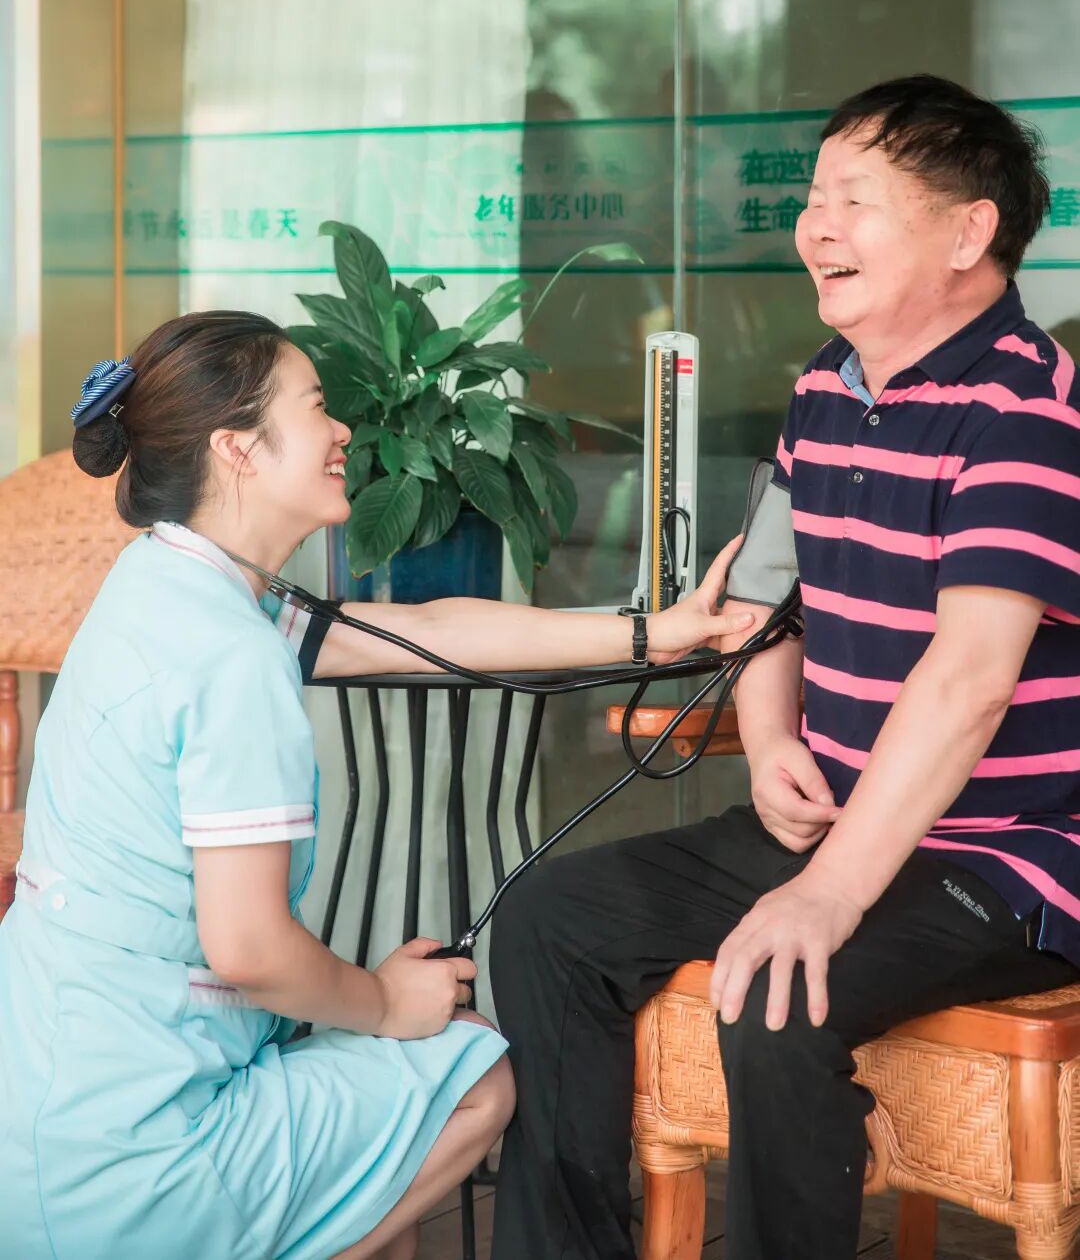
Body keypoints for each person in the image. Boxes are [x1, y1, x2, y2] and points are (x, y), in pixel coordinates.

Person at [0, 311, 755, 1260]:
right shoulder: (227, 655)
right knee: (471, 1077)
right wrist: (387, 1001)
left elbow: (426, 634)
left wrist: (652, 634)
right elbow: (249, 948)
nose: (342, 430)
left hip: (41, 1121)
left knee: (378, 1165)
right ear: (237, 449)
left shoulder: (164, 583)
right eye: (315, 406)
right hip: (140, 1162)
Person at [489, 74, 1080, 1260]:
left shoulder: (1027, 408)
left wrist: (828, 893)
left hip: (1005, 854)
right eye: (815, 199)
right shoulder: (825, 388)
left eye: (855, 200)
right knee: (550, 918)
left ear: (970, 231)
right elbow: (764, 601)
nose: (817, 227)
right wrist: (768, 747)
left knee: (776, 992)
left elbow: (970, 680)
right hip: (843, 825)